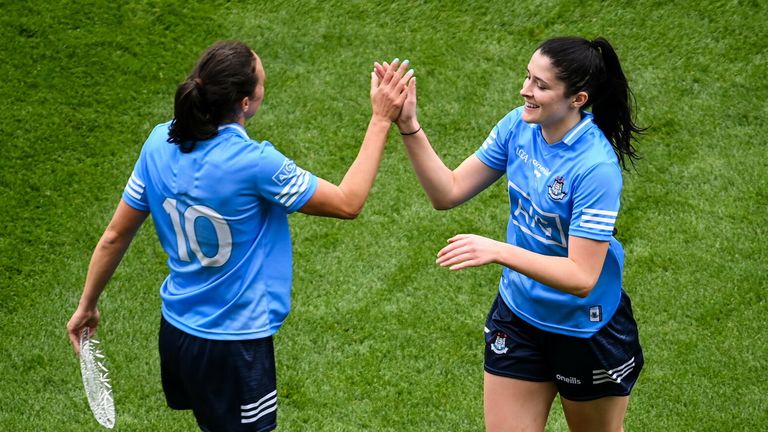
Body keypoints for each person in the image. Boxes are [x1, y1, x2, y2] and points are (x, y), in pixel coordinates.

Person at [67, 40, 413, 432]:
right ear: (246, 102)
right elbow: (348, 202)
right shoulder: (255, 164)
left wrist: (87, 305)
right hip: (234, 346)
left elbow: (115, 236)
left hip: (178, 334)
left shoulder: (157, 142)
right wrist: (381, 119)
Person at [385, 36, 645, 431]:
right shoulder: (519, 127)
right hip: (519, 316)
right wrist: (409, 126)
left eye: (541, 85)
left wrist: (499, 251)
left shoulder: (595, 167)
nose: (526, 89)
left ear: (577, 99)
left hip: (585, 327)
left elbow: (581, 277)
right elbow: (448, 192)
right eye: (527, 77)